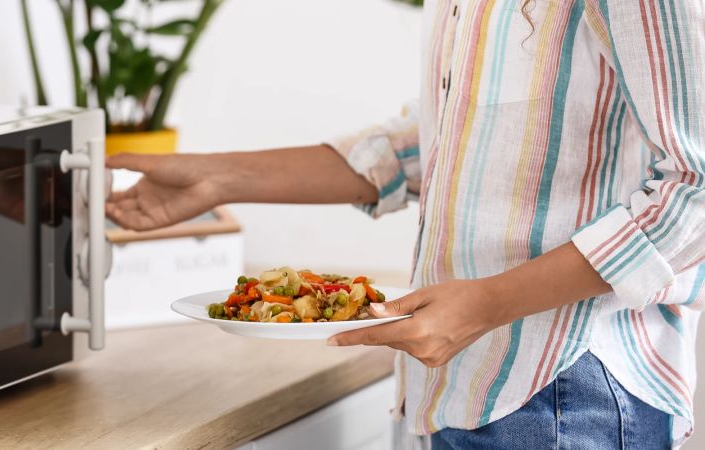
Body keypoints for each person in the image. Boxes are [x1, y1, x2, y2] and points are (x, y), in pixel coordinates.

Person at [105, 0, 704, 448]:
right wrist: (218, 179)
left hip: (563, 393)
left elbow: (696, 189)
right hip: (461, 381)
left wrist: (486, 305)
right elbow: (443, 143)